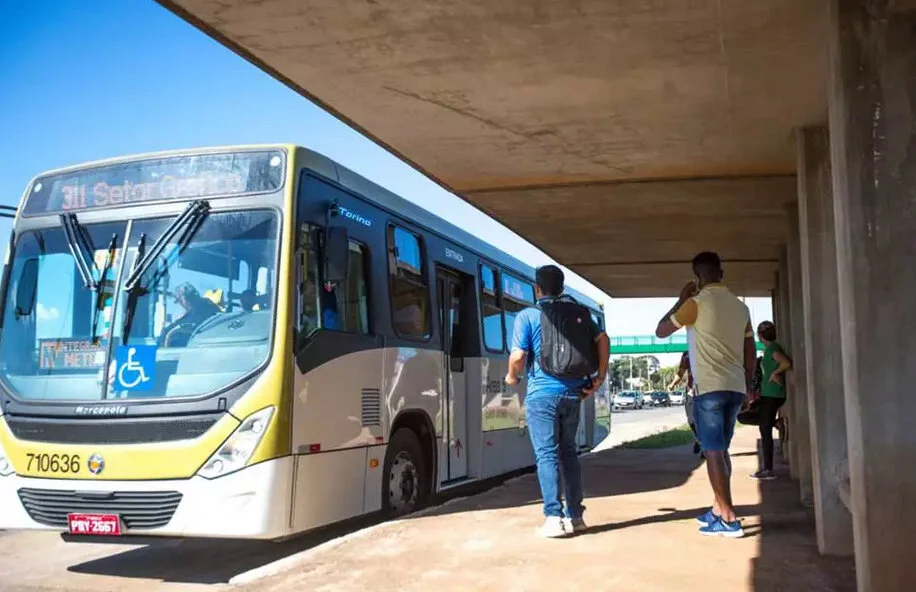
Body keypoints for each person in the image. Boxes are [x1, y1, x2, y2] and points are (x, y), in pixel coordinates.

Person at [656, 252, 756, 538]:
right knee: (721, 450)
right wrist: (749, 385)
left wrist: (680, 299)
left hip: (709, 389)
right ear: (721, 274)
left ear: (697, 278)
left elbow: (661, 331)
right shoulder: (741, 308)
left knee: (712, 451)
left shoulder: (695, 304)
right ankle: (717, 510)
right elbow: (750, 352)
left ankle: (729, 519)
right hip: (735, 387)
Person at [505, 265, 609, 538]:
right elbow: (603, 339)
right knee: (569, 454)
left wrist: (512, 376)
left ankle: (553, 517)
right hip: (573, 394)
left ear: (537, 289)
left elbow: (518, 357)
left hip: (542, 397)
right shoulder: (578, 313)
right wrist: (599, 377)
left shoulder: (528, 316)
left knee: (547, 455)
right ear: (562, 288)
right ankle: (576, 517)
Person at [752, 321, 792, 480]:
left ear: (760, 336)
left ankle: (768, 470)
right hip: (767, 394)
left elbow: (786, 363)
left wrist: (775, 373)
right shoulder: (770, 349)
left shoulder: (774, 349)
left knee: (765, 430)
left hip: (773, 394)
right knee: (745, 416)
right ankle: (777, 423)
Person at [161, 283, 220, 347]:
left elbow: (168, 333)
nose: (181, 305)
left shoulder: (197, 313)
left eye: (179, 301)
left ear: (184, 299)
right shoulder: (209, 305)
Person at [668, 351, 703, 457]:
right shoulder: (686, 354)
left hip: (706, 391)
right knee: (691, 420)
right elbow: (681, 372)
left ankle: (705, 446)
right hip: (691, 392)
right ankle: (699, 439)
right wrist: (672, 384)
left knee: (705, 419)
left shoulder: (708, 349)